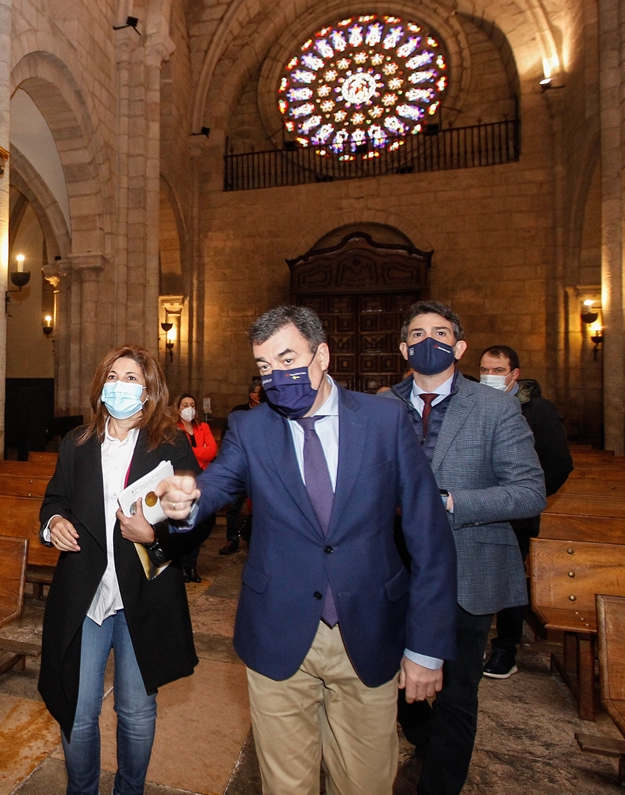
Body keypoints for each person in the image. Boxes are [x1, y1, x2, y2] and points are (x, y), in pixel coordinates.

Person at [157, 305, 457, 795]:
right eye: (265, 367)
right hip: (278, 630)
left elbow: (429, 536)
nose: (277, 376)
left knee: (365, 783)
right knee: (285, 786)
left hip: (370, 629)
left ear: (322, 356)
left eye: (288, 358)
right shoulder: (252, 427)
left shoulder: (384, 420)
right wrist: (185, 504)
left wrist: (427, 647)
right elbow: (216, 485)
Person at [382, 303, 546, 795]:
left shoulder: (495, 407)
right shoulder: (382, 405)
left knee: (456, 692)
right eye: (417, 334)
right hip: (393, 566)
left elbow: (529, 490)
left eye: (440, 333)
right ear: (404, 348)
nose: (428, 340)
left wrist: (451, 501)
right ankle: (424, 740)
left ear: (458, 347)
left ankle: (441, 784)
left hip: (467, 563)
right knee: (391, 681)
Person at [38, 345, 200, 795]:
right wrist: (54, 524)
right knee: (79, 707)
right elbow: (54, 500)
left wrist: (155, 536)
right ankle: (82, 790)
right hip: (87, 594)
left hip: (143, 593)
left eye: (131, 377)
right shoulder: (77, 443)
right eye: (113, 375)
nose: (120, 384)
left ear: (148, 390)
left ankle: (130, 790)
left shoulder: (170, 444)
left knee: (135, 710)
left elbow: (191, 519)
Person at [477, 345, 573, 680]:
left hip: (514, 515)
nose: (490, 377)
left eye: (497, 370)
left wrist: (524, 497)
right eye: (485, 370)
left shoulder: (539, 411)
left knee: (510, 582)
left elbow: (558, 463)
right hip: (477, 509)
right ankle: (469, 644)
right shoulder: (476, 406)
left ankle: (506, 648)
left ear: (514, 374)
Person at [174, 392, 217, 582]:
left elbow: (212, 450)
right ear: (178, 409)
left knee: (198, 524)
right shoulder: (174, 430)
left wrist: (192, 453)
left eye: (192, 404)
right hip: (183, 482)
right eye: (184, 405)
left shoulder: (203, 427)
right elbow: (178, 454)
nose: (188, 408)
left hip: (202, 481)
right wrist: (199, 454)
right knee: (183, 524)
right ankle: (182, 565)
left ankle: (192, 566)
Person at [219, 378, 264, 556]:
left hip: (260, 469)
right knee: (233, 507)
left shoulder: (269, 413)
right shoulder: (239, 413)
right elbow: (227, 439)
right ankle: (232, 540)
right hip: (240, 469)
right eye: (261, 394)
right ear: (253, 395)